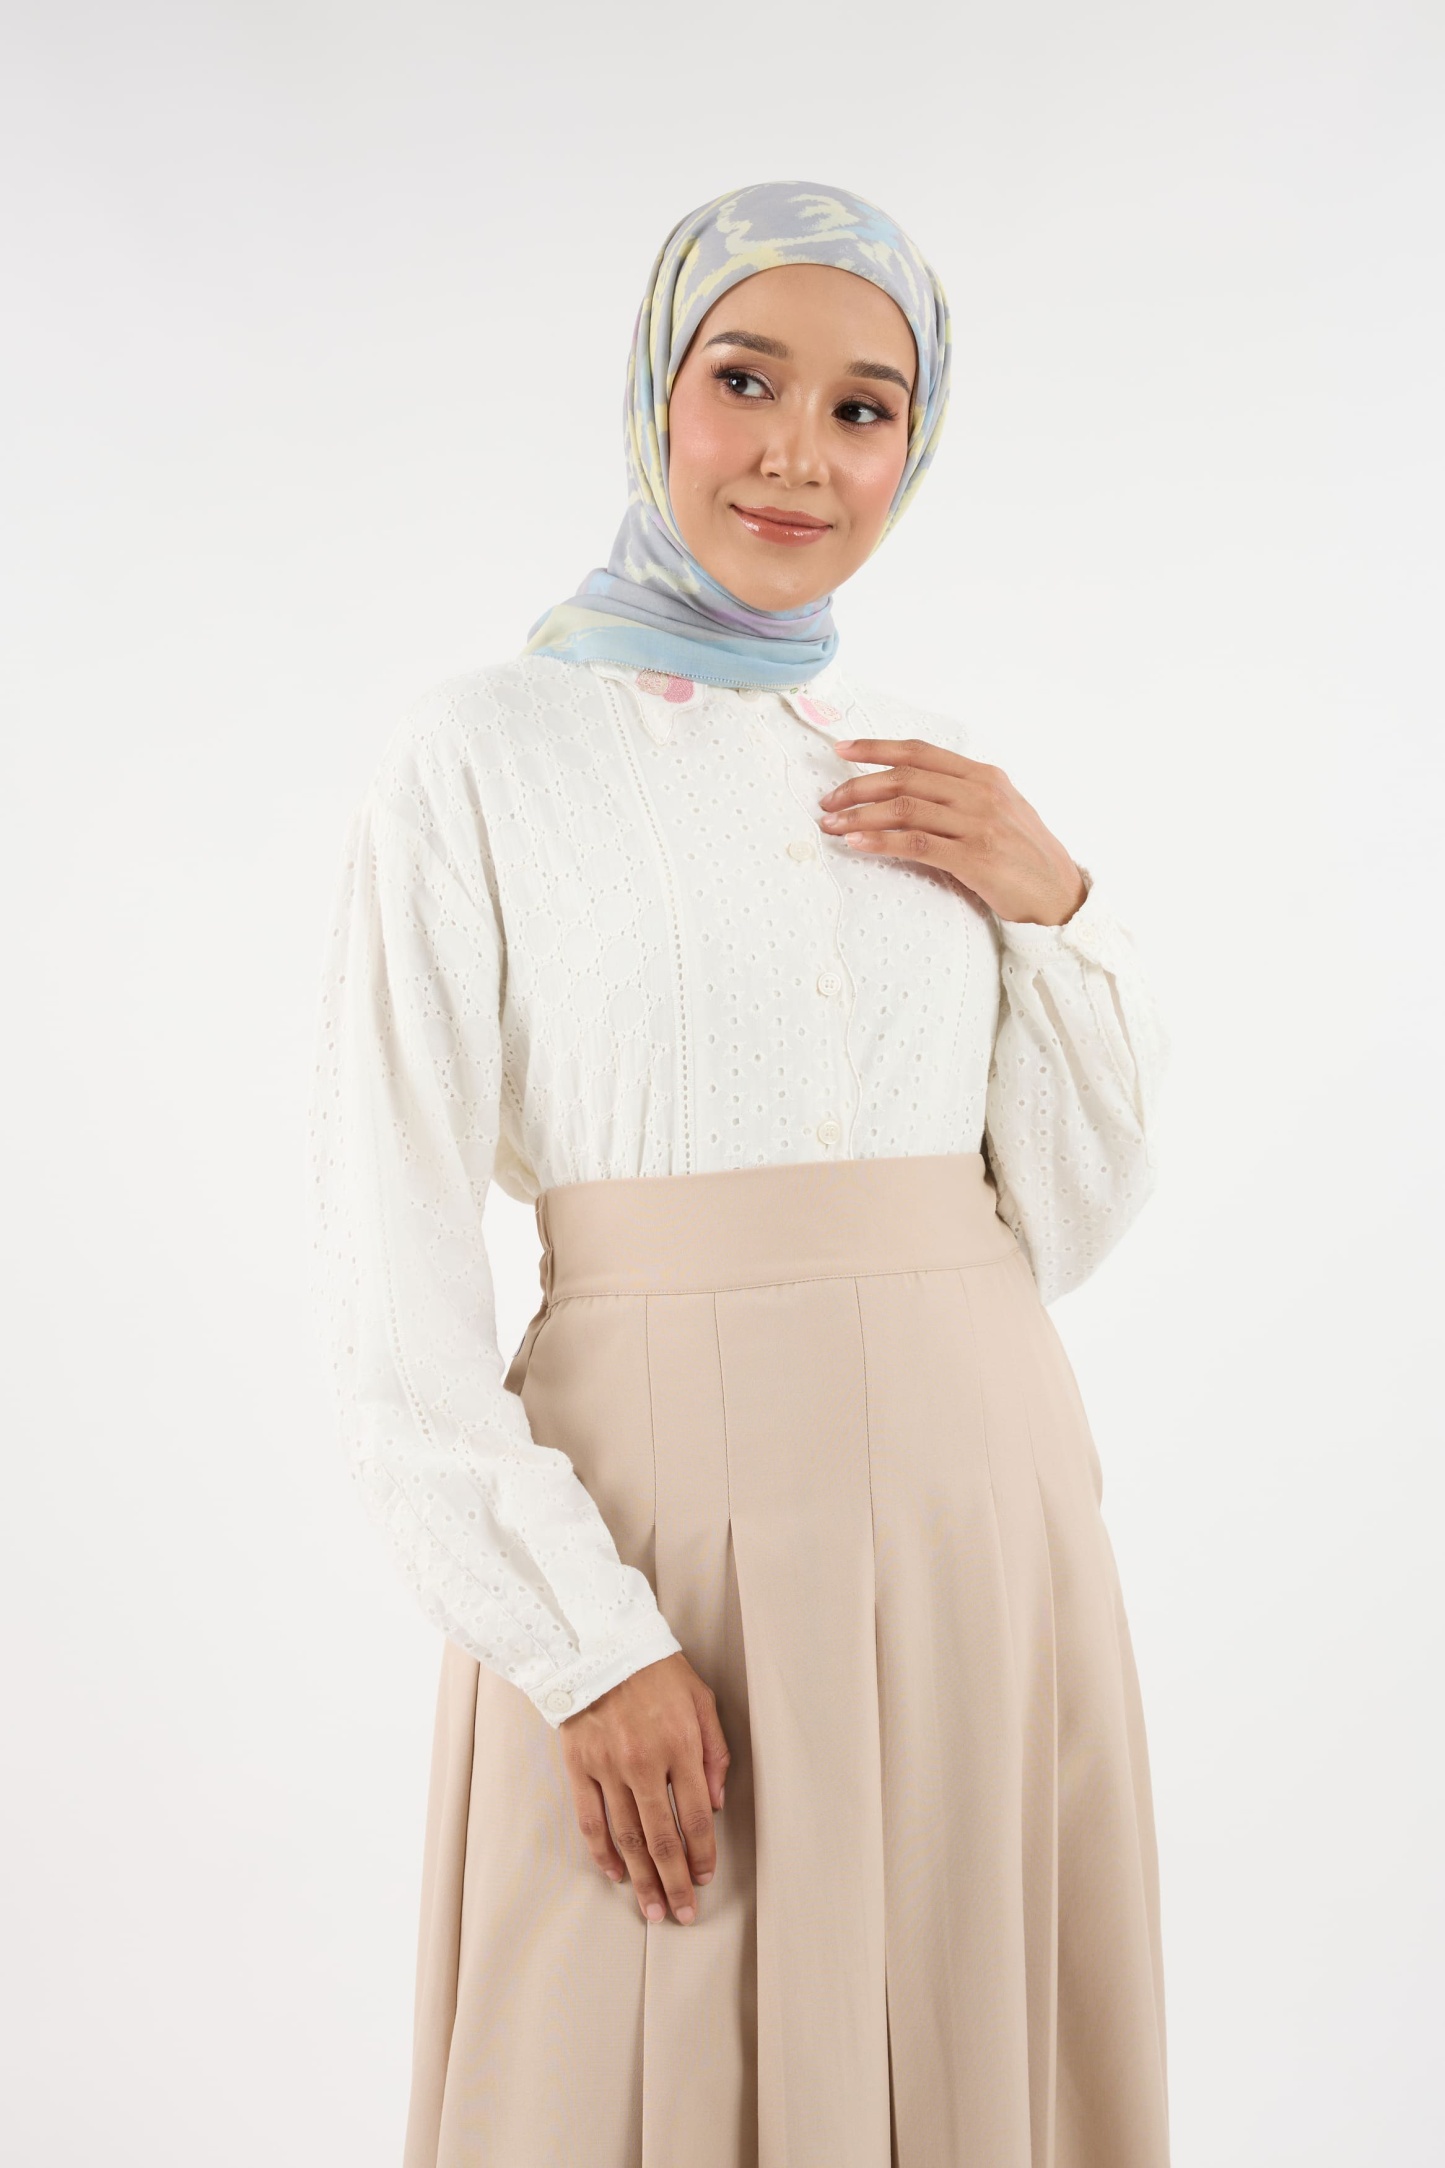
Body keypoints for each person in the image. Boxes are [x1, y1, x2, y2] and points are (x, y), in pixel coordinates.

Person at [307, 179, 1172, 2168]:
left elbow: (1060, 1217)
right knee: (630, 2054)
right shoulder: (477, 754)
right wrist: (579, 1641)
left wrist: (1057, 906)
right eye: (746, 380)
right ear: (654, 392)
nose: (797, 452)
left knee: (969, 2048)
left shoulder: (925, 758)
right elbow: (390, 1275)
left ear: (913, 450)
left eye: (864, 408)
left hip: (979, 1526)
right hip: (653, 1539)